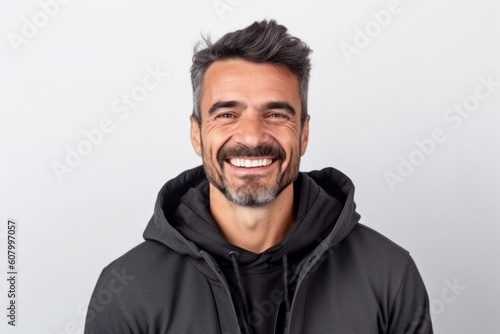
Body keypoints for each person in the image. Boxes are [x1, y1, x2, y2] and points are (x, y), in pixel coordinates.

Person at [84, 19, 433, 334]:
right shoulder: (128, 287)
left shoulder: (388, 274)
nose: (251, 137)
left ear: (304, 133)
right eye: (226, 114)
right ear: (196, 133)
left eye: (276, 114)